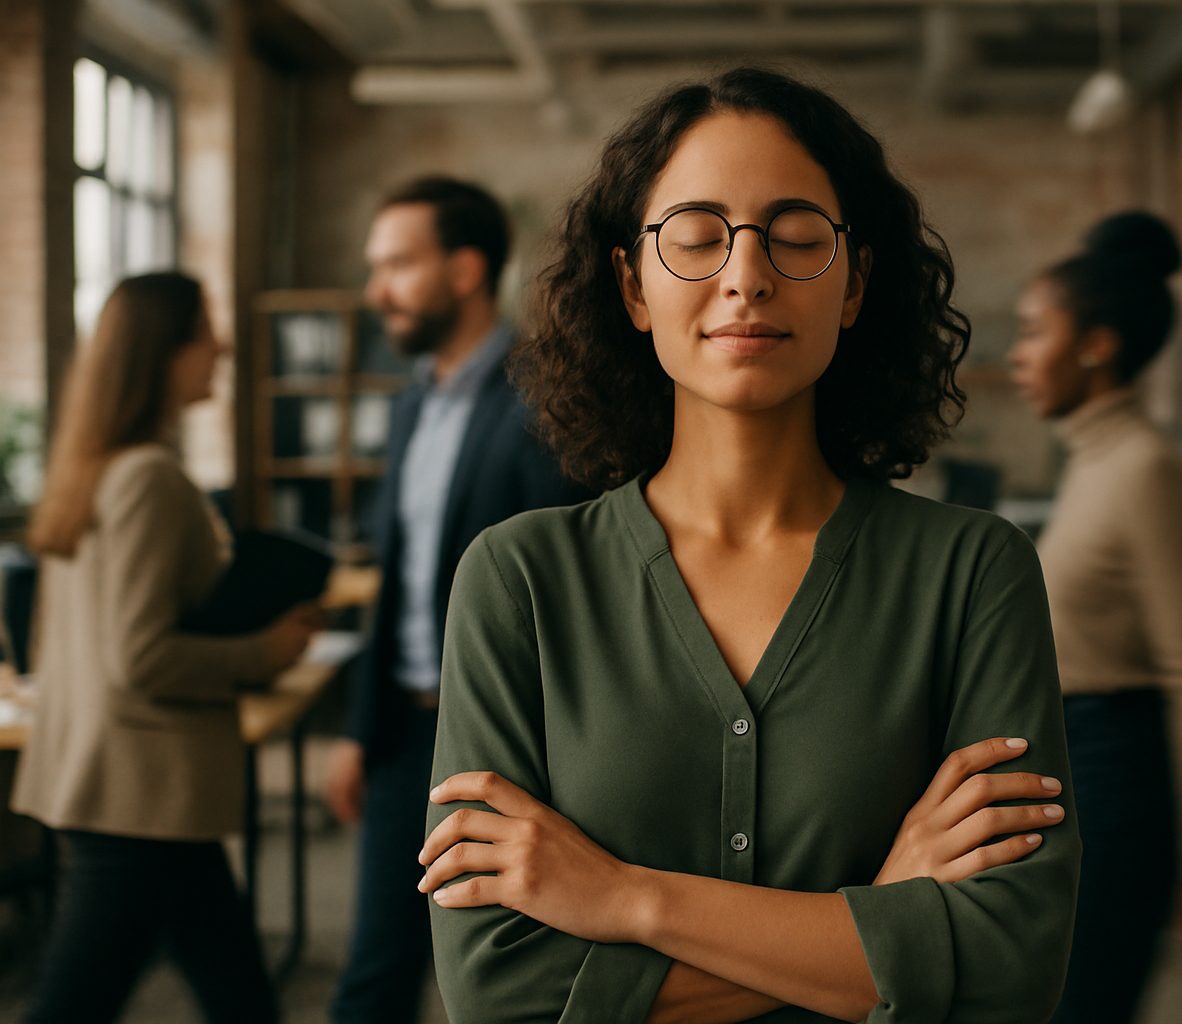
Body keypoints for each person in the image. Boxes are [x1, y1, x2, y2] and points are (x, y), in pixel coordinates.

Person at [412, 67, 1081, 1024]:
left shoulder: (973, 572)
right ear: (633, 285)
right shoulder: (520, 579)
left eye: (799, 237)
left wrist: (622, 900)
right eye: (695, 238)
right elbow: (496, 989)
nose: (746, 274)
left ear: (854, 285)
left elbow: (1007, 970)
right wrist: (887, 924)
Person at [11, 272, 325, 1024]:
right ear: (165, 351)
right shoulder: (149, 478)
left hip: (124, 784)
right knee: (73, 1005)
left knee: (237, 991)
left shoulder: (92, 469)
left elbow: (74, 638)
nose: (220, 346)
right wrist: (267, 650)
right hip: (137, 795)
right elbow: (141, 658)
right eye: (204, 331)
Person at [325, 176, 588, 1024]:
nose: (378, 292)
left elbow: (573, 592)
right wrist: (358, 732)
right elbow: (397, 585)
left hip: (515, 747)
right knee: (375, 972)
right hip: (408, 735)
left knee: (510, 986)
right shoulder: (409, 406)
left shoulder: (549, 401)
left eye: (399, 265)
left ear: (467, 269)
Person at [1008, 211, 1182, 1024]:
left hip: (1118, 786)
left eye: (1036, 331)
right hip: (1070, 780)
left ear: (1097, 344)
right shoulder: (1093, 459)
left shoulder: (1147, 467)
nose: (1018, 355)